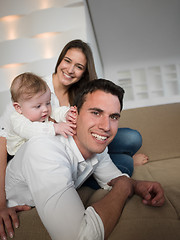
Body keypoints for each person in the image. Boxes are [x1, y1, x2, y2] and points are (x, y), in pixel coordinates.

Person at [0, 39, 147, 239]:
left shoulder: (79, 95)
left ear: (84, 72)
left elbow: (67, 117)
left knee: (128, 139)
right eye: (67, 61)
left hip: (67, 146)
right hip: (28, 154)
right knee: (123, 161)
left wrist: (134, 184)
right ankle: (126, 160)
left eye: (78, 66)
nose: (70, 70)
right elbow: (7, 141)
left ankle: (120, 159)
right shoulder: (31, 89)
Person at [7, 72, 76, 157]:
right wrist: (55, 128)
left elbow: (56, 111)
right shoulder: (16, 119)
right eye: (38, 106)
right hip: (17, 155)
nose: (45, 109)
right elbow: (31, 130)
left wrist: (67, 114)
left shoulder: (44, 111)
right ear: (18, 108)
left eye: (48, 103)